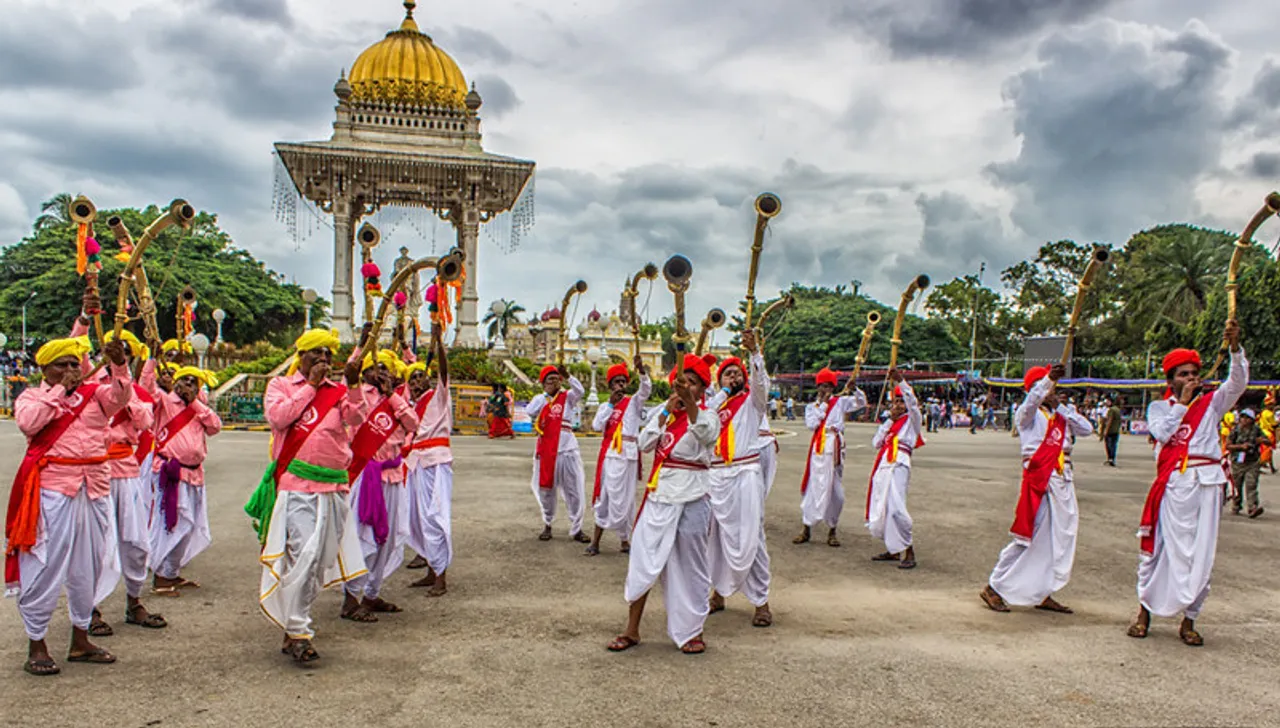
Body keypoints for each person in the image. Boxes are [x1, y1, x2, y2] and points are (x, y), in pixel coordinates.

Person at [7, 331, 131, 676]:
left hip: (93, 486)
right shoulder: (33, 396)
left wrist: (120, 365)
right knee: (44, 564)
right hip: (52, 490)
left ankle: (81, 638)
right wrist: (63, 390)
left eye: (75, 364)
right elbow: (30, 423)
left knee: (88, 565)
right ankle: (37, 642)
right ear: (46, 370)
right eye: (62, 365)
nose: (72, 370)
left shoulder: (96, 395)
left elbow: (121, 399)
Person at [247, 328, 369, 665]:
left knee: (320, 561)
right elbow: (279, 417)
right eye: (318, 354)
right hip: (296, 485)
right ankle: (299, 631)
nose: (324, 360)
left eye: (329, 355)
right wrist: (312, 388)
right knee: (305, 552)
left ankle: (292, 623)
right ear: (302, 355)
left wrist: (355, 386)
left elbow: (357, 419)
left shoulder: (338, 391)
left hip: (334, 487)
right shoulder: (281, 387)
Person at [1129, 321, 1247, 646]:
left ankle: (1190, 619)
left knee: (1201, 553)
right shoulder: (1159, 408)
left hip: (1207, 486)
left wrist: (1235, 349)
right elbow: (1164, 434)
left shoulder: (1212, 404)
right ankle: (1144, 611)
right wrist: (1182, 401)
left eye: (1194, 373)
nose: (1191, 378)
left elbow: (1237, 383)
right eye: (1183, 374)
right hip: (1173, 484)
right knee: (1159, 548)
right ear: (1170, 380)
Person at [607, 354, 719, 654]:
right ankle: (631, 630)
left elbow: (705, 435)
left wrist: (690, 405)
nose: (686, 389)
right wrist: (664, 414)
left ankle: (691, 631)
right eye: (682, 383)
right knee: (643, 560)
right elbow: (643, 444)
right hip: (658, 497)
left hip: (693, 496)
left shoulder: (709, 414)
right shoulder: (665, 412)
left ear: (703, 388)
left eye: (693, 384)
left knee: (690, 566)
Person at [980, 363, 1092, 614]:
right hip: (1039, 477)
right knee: (1027, 537)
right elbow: (1031, 403)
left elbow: (1087, 429)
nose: (1051, 390)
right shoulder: (1026, 414)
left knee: (1057, 538)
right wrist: (1046, 383)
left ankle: (1042, 591)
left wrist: (1060, 407)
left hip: (1063, 478)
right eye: (1045, 385)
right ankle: (993, 586)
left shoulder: (1061, 414)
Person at [89, 330, 166, 636]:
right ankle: (90, 609)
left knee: (136, 542)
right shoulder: (89, 389)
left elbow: (145, 422)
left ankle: (134, 602)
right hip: (94, 473)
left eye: (122, 356)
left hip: (127, 473)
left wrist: (123, 389)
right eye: (111, 355)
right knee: (96, 546)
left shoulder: (140, 394)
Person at [341, 349, 420, 622]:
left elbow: (413, 423)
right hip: (366, 476)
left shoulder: (397, 398)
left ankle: (372, 594)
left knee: (387, 539)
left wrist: (392, 397)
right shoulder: (357, 395)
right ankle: (350, 599)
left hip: (394, 476)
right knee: (361, 537)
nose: (383, 374)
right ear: (367, 371)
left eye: (388, 369)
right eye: (378, 369)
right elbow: (351, 421)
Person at [705, 331, 772, 627]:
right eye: (726, 374)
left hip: (744, 473)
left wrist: (755, 353)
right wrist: (722, 393)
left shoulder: (751, 403)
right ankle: (718, 593)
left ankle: (761, 602)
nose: (732, 377)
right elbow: (701, 421)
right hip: (716, 477)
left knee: (751, 536)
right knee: (715, 538)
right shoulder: (714, 407)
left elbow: (762, 386)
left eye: (737, 373)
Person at [148, 365, 222, 595]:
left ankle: (171, 572)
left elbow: (215, 427)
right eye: (185, 381)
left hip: (194, 474)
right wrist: (150, 362)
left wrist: (193, 403)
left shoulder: (198, 406)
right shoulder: (164, 401)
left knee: (188, 527)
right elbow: (147, 387)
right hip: (171, 473)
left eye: (194, 382)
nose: (189, 386)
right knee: (171, 525)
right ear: (176, 382)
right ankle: (160, 577)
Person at [403, 328, 455, 596]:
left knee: (435, 517)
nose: (417, 382)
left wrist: (440, 345)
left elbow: (444, 373)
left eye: (421, 377)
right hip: (415, 464)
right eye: (412, 380)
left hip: (435, 462)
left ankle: (441, 578)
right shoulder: (410, 406)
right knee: (417, 519)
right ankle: (430, 569)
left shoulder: (438, 396)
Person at [795, 368, 867, 547]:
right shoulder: (812, 407)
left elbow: (861, 402)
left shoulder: (841, 402)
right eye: (822, 386)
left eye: (828, 386)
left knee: (836, 491)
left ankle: (832, 529)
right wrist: (824, 405)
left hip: (834, 447)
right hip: (818, 447)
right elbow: (812, 424)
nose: (825, 390)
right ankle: (806, 528)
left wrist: (854, 388)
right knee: (812, 486)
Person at [587, 355, 651, 556]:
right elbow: (597, 426)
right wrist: (611, 406)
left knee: (627, 499)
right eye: (617, 382)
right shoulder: (605, 406)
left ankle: (625, 540)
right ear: (610, 385)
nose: (620, 386)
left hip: (629, 455)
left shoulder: (634, 402)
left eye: (623, 382)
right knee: (606, 495)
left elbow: (646, 390)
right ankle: (595, 541)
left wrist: (642, 372)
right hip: (611, 456)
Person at [866, 370, 925, 569]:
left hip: (899, 463)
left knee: (897, 509)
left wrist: (902, 382)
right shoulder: (890, 423)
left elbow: (913, 404)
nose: (898, 406)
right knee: (884, 508)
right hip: (883, 465)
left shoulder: (912, 420)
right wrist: (889, 420)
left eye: (901, 402)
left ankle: (908, 548)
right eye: (895, 402)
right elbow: (876, 442)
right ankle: (893, 548)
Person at [525, 365, 589, 542]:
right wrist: (545, 397)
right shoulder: (541, 399)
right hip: (546, 451)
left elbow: (580, 391)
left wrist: (568, 376)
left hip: (567, 450)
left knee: (574, 490)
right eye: (550, 379)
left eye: (556, 379)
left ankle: (577, 528)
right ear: (544, 383)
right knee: (546, 490)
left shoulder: (567, 397)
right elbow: (530, 411)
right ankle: (547, 523)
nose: (554, 382)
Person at [1226, 408, 1266, 518]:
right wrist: (1240, 447)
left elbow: (1268, 441)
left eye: (1247, 418)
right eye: (1243, 417)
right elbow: (1228, 445)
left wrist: (1261, 440)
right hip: (1237, 461)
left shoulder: (1256, 430)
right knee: (1237, 485)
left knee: (1251, 484)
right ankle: (1236, 504)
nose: (1244, 420)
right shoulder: (1235, 430)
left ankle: (1252, 507)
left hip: (1252, 461)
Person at [1100, 397, 1123, 466]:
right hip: (1116, 430)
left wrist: (1105, 431)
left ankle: (1110, 459)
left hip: (1111, 430)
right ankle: (1112, 459)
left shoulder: (1111, 410)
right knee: (1113, 445)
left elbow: (1110, 420)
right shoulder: (1118, 410)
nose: (1106, 403)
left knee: (1109, 445)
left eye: (1108, 401)